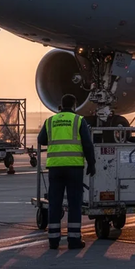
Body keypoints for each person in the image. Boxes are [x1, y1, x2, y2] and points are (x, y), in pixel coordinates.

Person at [38, 94, 95, 250]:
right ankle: (74, 240)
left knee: (55, 203)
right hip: (74, 167)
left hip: (55, 167)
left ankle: (53, 240)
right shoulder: (78, 120)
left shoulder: (50, 121)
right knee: (74, 204)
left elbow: (41, 140)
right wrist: (92, 163)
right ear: (75, 105)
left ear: (60, 106)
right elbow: (87, 144)